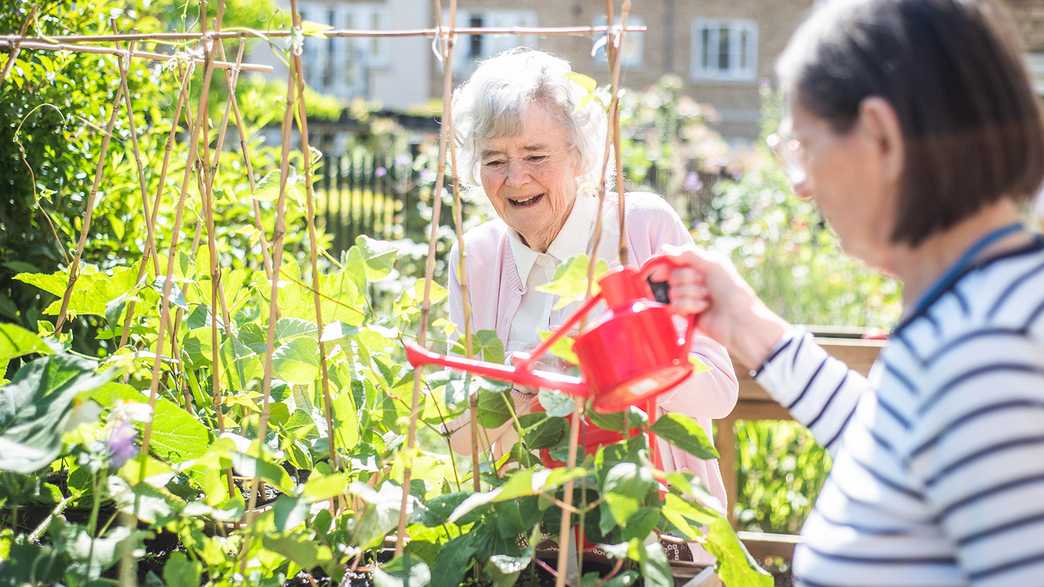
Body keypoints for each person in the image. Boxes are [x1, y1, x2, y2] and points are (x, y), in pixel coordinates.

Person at [661, 0, 1044, 585]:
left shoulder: (987, 349)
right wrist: (746, 325)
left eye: (805, 147)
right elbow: (899, 448)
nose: (801, 186)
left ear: (881, 137)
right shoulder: (980, 313)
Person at [444, 48, 739, 564]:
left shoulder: (642, 229)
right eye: (494, 160)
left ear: (579, 156)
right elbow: (461, 441)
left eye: (536, 156)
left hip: (659, 540)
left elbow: (718, 391)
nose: (515, 177)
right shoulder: (475, 258)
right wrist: (515, 394)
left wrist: (611, 368)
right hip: (529, 545)